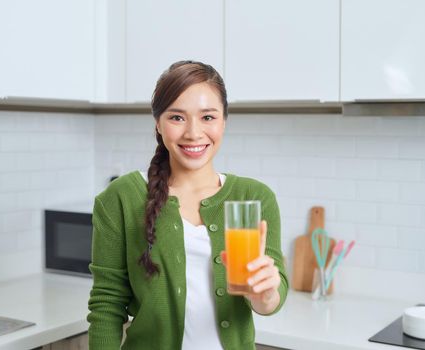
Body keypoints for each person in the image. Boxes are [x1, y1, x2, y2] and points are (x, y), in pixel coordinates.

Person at [87, 60, 288, 350]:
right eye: (177, 117)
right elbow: (106, 305)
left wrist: (265, 294)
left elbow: (271, 298)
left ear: (224, 121)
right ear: (157, 122)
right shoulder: (121, 198)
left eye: (208, 117)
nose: (194, 133)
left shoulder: (254, 197)